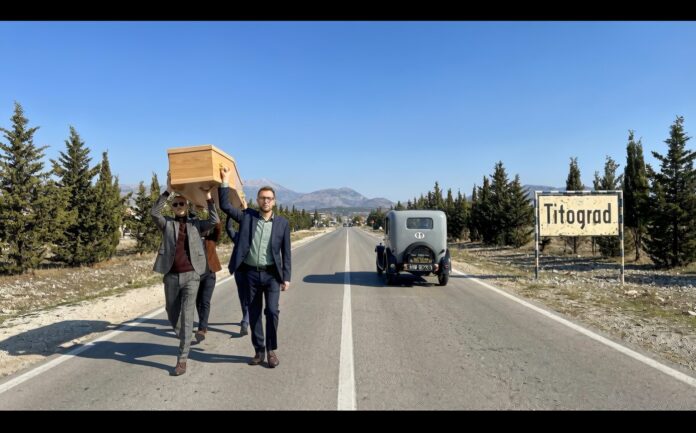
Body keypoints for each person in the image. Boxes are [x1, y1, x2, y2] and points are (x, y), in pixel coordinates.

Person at [218, 166, 291, 368]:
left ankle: (271, 350)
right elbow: (225, 206)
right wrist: (225, 180)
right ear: (258, 200)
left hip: (272, 275)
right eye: (262, 198)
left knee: (272, 312)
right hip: (250, 274)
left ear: (274, 201)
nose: (266, 201)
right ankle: (259, 350)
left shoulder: (282, 223)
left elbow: (286, 252)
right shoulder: (247, 216)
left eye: (269, 198)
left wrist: (286, 277)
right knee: (255, 313)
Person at [151, 172, 219, 376]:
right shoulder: (166, 224)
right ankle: (186, 336)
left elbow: (214, 220)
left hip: (192, 276)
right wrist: (168, 191)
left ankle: (182, 359)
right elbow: (154, 213)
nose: (179, 206)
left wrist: (208, 197)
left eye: (182, 204)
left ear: (187, 206)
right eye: (176, 204)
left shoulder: (196, 225)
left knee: (188, 315)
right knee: (172, 313)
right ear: (172, 207)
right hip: (171, 276)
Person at [194, 216, 222, 344]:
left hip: (210, 274)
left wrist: (215, 216)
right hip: (195, 275)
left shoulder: (211, 239)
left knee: (205, 301)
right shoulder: (192, 240)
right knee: (197, 301)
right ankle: (202, 323)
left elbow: (218, 228)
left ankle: (202, 328)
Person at [224, 203, 250, 336]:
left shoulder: (255, 236)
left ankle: (246, 320)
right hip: (239, 271)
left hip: (252, 271)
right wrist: (231, 213)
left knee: (250, 296)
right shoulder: (238, 236)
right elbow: (228, 228)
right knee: (242, 296)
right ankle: (246, 316)